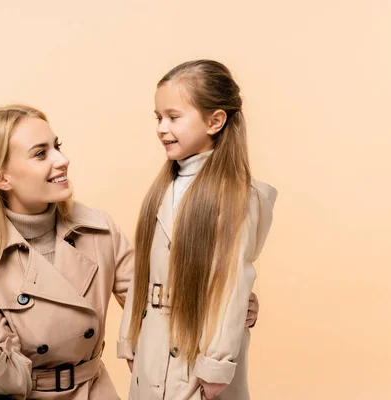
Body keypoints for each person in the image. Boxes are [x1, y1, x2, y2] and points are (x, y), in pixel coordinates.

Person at [0, 104, 260, 399]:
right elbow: (11, 381)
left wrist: (220, 305)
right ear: (1, 178)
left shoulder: (99, 229)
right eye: (41, 153)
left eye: (57, 146)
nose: (62, 159)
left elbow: (154, 307)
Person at [117, 60, 277, 400]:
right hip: (152, 345)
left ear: (215, 121)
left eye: (173, 117)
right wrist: (130, 338)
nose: (161, 128)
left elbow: (230, 281)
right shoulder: (162, 187)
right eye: (158, 118)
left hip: (197, 352)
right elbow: (144, 270)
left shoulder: (235, 196)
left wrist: (216, 364)